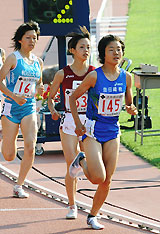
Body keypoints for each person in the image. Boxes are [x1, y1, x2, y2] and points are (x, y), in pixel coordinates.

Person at [69, 34, 138, 229]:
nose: (116, 53)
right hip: (92, 131)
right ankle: (81, 160)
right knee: (97, 177)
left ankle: (92, 215)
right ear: (103, 53)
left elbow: (129, 103)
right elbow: (73, 98)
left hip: (112, 131)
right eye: (111, 50)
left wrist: (132, 109)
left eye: (119, 49)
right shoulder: (94, 76)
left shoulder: (127, 77)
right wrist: (77, 123)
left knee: (106, 180)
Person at [48, 26, 95, 219]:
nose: (86, 51)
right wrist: (52, 110)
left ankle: (92, 206)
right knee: (72, 165)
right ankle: (72, 205)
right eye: (82, 47)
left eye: (88, 47)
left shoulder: (95, 73)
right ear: (72, 50)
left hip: (89, 121)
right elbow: (50, 97)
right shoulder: (62, 74)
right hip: (68, 121)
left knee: (92, 166)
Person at [0, 21, 44, 198]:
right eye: (28, 38)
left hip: (28, 107)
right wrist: (13, 96)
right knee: (9, 155)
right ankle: (9, 142)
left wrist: (40, 90)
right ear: (20, 40)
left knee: (30, 146)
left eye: (34, 38)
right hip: (11, 108)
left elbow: (39, 84)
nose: (32, 41)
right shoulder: (12, 58)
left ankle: (19, 185)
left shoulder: (38, 62)